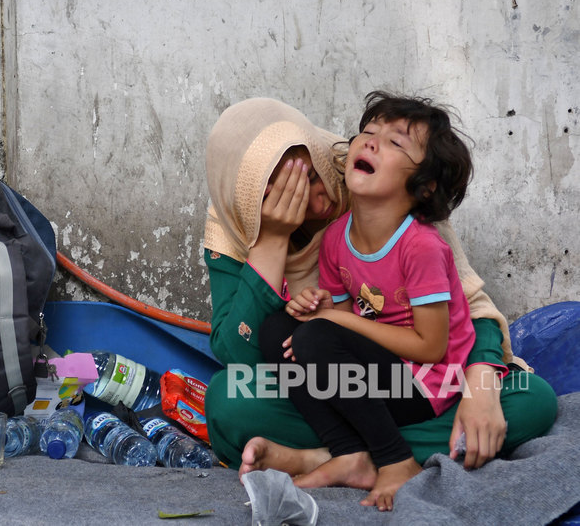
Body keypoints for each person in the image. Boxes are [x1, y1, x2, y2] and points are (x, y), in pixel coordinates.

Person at [201, 96, 557, 496]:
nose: (311, 193)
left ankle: (337, 455)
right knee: (228, 400)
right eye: (280, 190)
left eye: (308, 174)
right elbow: (242, 355)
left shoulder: (380, 188)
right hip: (341, 380)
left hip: (420, 377)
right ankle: (359, 452)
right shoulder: (235, 226)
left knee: (532, 400)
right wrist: (270, 240)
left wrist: (480, 386)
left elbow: (468, 311)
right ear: (248, 201)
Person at [261, 91, 482, 510]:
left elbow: (432, 348)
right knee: (278, 330)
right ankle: (349, 454)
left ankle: (396, 459)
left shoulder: (421, 247)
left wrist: (332, 323)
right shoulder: (336, 239)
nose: (371, 141)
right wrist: (315, 307)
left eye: (396, 142)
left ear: (425, 185)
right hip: (375, 374)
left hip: (424, 384)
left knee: (317, 337)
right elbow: (339, 321)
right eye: (368, 131)